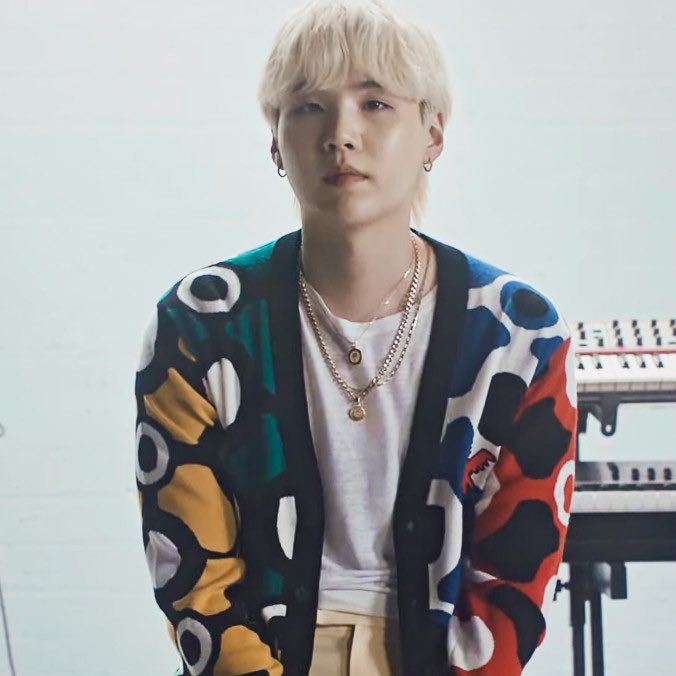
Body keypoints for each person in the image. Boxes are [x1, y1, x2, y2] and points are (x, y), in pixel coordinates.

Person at [133, 0, 578, 674]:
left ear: (433, 133)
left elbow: (514, 580)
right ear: (275, 139)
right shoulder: (199, 324)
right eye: (308, 106)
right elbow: (192, 572)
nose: (341, 134)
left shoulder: (520, 334)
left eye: (375, 104)